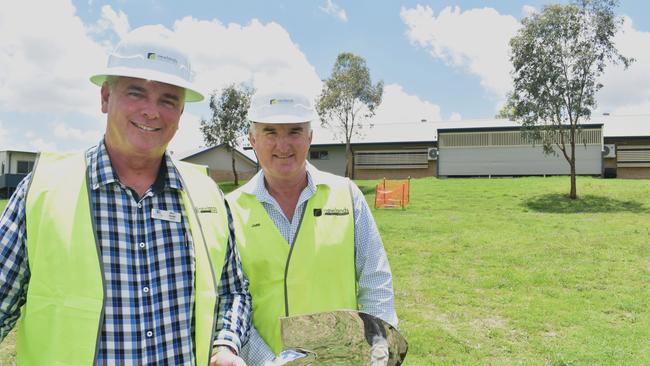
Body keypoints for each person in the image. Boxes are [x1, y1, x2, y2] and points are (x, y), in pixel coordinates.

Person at [0, 25, 250, 366]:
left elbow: (233, 291)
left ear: (180, 113)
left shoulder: (207, 196)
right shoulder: (43, 190)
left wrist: (225, 344)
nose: (151, 111)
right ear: (105, 97)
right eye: (136, 93)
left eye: (168, 100)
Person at [226, 91, 398, 364]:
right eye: (270, 132)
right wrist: (268, 362)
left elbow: (375, 279)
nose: (283, 145)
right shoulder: (229, 209)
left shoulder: (347, 194)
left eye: (295, 131)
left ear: (310, 137)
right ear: (252, 139)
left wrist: (378, 347)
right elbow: (229, 300)